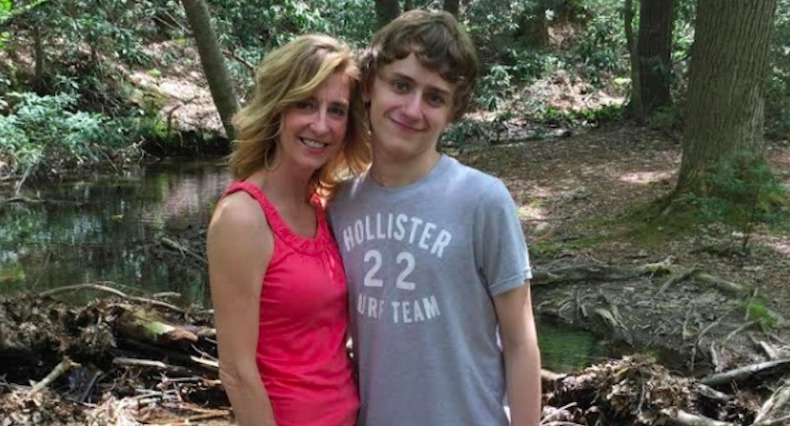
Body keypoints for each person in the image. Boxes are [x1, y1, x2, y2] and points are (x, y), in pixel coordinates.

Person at [327, 10, 541, 426]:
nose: (412, 109)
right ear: (369, 86)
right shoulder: (339, 204)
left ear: (451, 111)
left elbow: (520, 341)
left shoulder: (483, 200)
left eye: (435, 97)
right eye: (401, 85)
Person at [206, 34, 371, 426]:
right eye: (306, 104)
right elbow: (236, 370)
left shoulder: (326, 206)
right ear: (277, 108)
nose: (321, 124)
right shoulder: (242, 217)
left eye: (337, 110)